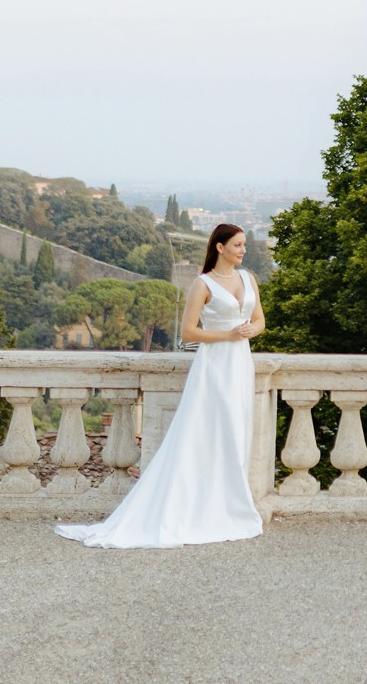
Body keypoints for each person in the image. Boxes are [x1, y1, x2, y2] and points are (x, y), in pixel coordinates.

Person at [56, 222, 266, 548]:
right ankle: (201, 509)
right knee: (209, 434)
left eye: (243, 245)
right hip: (214, 368)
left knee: (237, 433)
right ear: (220, 247)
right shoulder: (203, 283)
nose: (243, 250)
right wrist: (228, 334)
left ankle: (230, 506)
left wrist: (252, 330)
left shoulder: (248, 278)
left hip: (242, 364)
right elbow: (189, 333)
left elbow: (260, 319)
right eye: (237, 245)